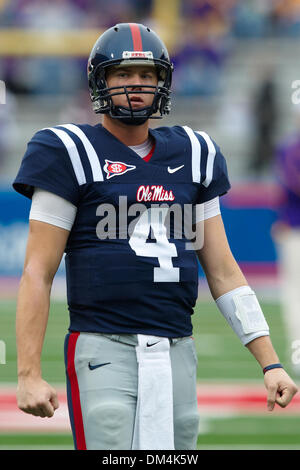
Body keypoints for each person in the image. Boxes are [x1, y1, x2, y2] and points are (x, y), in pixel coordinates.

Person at [13, 23, 297, 451]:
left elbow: (222, 271)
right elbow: (38, 271)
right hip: (104, 344)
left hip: (177, 346)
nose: (136, 86)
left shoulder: (194, 153)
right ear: (99, 81)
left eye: (147, 75)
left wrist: (270, 361)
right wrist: (28, 373)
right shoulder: (68, 151)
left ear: (163, 84)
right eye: (123, 74)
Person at [272, 113, 300, 378]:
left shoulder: (289, 149)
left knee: (294, 293)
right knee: (295, 293)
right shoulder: (290, 148)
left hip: (293, 227)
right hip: (294, 228)